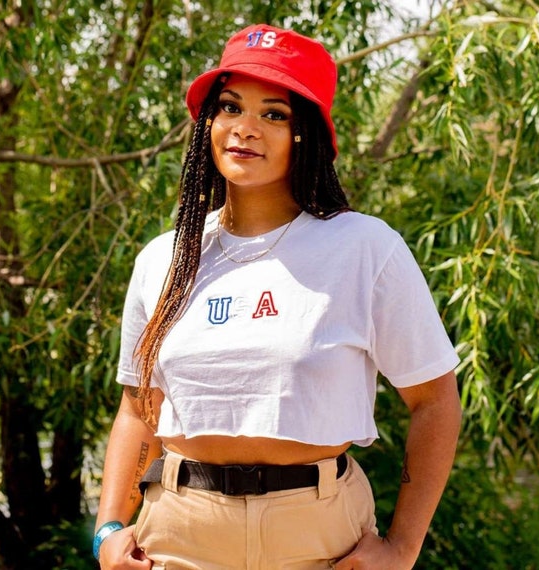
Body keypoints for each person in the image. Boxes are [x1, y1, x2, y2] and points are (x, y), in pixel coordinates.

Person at [94, 23, 462, 570]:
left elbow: (435, 402)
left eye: (273, 113)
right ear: (209, 123)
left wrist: (403, 548)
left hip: (320, 536)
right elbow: (139, 410)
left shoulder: (365, 248)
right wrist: (107, 532)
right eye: (230, 107)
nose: (245, 129)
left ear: (304, 133)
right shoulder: (164, 259)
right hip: (176, 532)